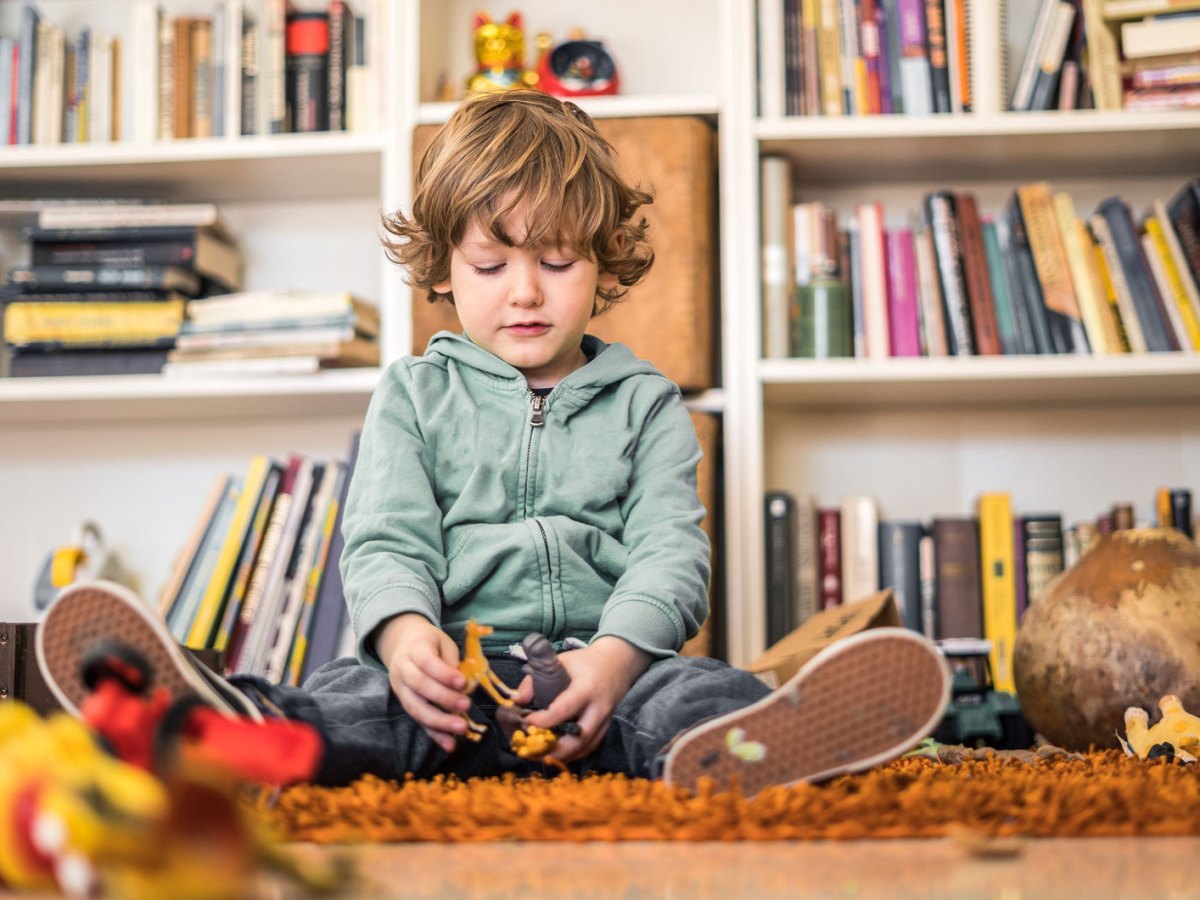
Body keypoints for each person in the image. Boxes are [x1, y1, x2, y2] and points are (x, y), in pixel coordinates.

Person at [35, 91, 951, 797]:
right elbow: (386, 541)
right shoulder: (413, 393)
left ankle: (762, 749)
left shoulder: (646, 402)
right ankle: (226, 730)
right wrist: (405, 641)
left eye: (557, 262)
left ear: (604, 263)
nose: (525, 292)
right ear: (442, 266)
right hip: (450, 684)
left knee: (699, 694)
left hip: (603, 679)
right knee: (353, 704)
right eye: (490, 264)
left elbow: (671, 557)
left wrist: (615, 660)